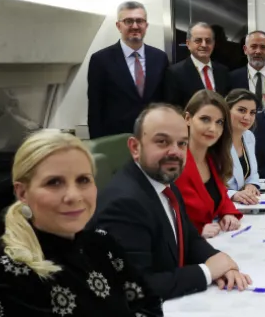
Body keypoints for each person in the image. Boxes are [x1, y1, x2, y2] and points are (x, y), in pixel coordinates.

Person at [0, 130, 207, 317]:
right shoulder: (2, 275)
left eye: (83, 180)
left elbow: (146, 304)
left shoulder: (100, 245)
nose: (73, 195)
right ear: (22, 192)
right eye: (54, 182)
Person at [90, 104, 252, 300]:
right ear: (135, 147)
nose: (175, 152)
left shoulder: (165, 184)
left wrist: (217, 259)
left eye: (182, 143)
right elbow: (134, 287)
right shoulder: (123, 204)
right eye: (162, 142)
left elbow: (189, 238)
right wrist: (207, 272)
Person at [87, 1, 169, 138]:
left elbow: (166, 102)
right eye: (128, 21)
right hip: (117, 140)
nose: (135, 26)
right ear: (118, 26)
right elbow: (95, 109)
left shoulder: (160, 58)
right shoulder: (100, 60)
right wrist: (97, 144)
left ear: (146, 25)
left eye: (140, 21)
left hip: (154, 137)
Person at [174, 90, 243, 238]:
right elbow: (164, 215)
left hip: (216, 240)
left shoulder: (213, 158)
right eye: (205, 119)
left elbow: (220, 195)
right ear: (187, 119)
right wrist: (194, 232)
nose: (213, 129)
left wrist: (227, 213)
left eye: (219, 122)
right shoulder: (174, 162)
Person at [165, 21, 232, 109]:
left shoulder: (223, 71)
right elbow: (173, 108)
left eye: (208, 41)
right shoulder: (175, 73)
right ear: (188, 44)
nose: (204, 45)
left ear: (213, 44)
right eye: (198, 40)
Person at [229, 31, 265, 105]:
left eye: (263, 47)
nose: (258, 51)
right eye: (253, 47)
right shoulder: (232, 78)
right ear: (245, 49)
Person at [225, 89, 262, 204]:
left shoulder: (249, 136)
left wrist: (251, 183)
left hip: (242, 204)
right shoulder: (215, 139)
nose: (247, 117)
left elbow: (253, 172)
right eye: (242, 110)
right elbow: (206, 183)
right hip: (219, 204)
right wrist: (233, 194)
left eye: (252, 112)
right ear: (227, 109)